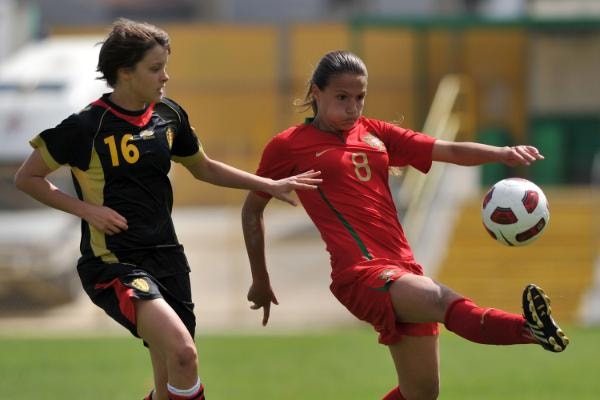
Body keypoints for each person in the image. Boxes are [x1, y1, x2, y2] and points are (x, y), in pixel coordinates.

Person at [13, 18, 321, 400]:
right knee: (184, 353)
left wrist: (268, 184)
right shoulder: (86, 126)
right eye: (155, 69)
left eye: (165, 67)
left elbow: (203, 167)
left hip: (168, 260)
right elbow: (28, 178)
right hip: (115, 263)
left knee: (170, 380)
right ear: (125, 73)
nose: (165, 77)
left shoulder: (169, 116)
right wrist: (87, 211)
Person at [241, 50, 569, 400]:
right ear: (315, 93)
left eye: (360, 97)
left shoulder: (375, 133)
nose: (353, 107)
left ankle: (532, 330)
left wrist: (501, 153)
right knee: (444, 301)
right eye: (342, 97)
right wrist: (260, 279)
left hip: (404, 267)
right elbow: (251, 210)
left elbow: (450, 150)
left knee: (422, 392)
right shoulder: (288, 146)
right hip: (361, 273)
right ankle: (530, 329)